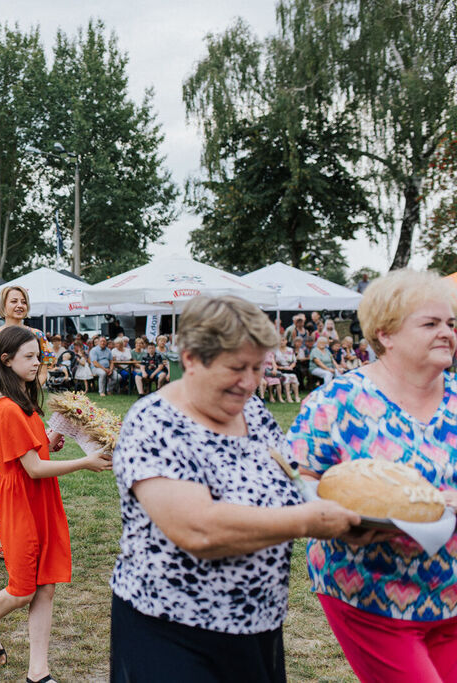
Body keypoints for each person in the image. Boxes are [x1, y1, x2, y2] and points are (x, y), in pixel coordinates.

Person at [110, 295, 360, 682]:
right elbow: (198, 529)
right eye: (237, 368)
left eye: (258, 368)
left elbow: (289, 481)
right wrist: (306, 522)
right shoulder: (153, 423)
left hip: (257, 625)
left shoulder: (254, 412)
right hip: (173, 630)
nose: (249, 382)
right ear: (191, 358)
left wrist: (355, 515)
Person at [288, 270, 457, 683]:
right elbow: (297, 477)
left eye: (451, 324)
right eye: (431, 324)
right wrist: (335, 521)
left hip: (452, 596)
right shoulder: (338, 400)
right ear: (386, 334)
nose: (447, 333)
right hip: (370, 592)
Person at [0, 326, 110, 682]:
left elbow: (34, 451)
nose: (37, 362)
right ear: (6, 361)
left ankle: (38, 672)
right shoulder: (5, 407)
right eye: (29, 356)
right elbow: (32, 469)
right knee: (22, 589)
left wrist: (51, 438)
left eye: (38, 355)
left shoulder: (25, 400)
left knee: (46, 584)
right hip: (21, 500)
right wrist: (85, 462)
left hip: (42, 498)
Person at [0, 285, 55, 558]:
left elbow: (43, 369)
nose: (19, 305)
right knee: (3, 469)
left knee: (32, 463)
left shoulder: (38, 335)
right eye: (14, 301)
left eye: (23, 301)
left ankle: (29, 525)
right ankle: (1, 530)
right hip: (1, 407)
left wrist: (27, 391)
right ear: (3, 305)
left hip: (27, 404)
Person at [273, 338, 300, 402]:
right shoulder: (275, 351)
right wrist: (280, 367)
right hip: (280, 369)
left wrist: (290, 367)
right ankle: (288, 396)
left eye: (283, 340)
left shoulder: (290, 350)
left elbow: (294, 361)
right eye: (280, 340)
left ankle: (296, 396)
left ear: (286, 341)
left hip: (289, 369)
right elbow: (273, 362)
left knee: (294, 377)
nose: (281, 342)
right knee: (286, 377)